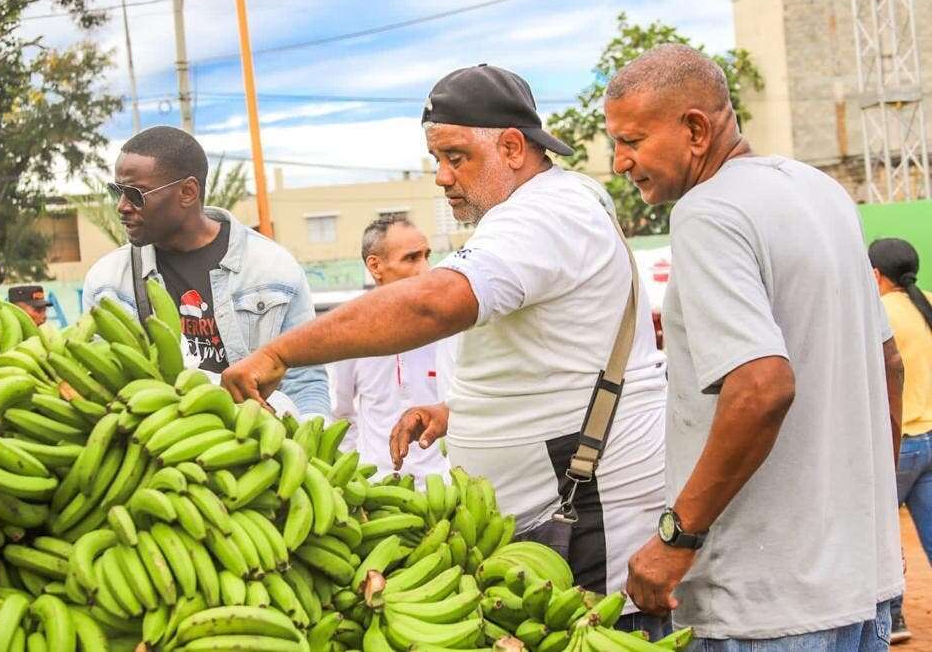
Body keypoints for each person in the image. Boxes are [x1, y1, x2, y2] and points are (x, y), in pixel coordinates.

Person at [223, 64, 669, 634]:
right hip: (544, 523)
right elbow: (557, 354)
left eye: (456, 157)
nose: (441, 177)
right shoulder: (551, 204)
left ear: (512, 147)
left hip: (590, 526)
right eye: (437, 160)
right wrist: (457, 412)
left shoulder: (548, 213)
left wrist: (281, 353)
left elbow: (434, 303)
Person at [609, 44, 904, 650]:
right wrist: (857, 506)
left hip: (763, 607)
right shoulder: (822, 193)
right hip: (861, 587)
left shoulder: (708, 211)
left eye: (632, 140)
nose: (619, 162)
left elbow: (762, 385)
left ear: (695, 129)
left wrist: (676, 537)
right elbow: (888, 363)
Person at [82, 125, 328, 418]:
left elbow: (306, 382)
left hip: (258, 448)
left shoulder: (272, 269)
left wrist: (307, 453)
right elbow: (101, 383)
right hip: (155, 449)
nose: (122, 206)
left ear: (187, 192)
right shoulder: (107, 284)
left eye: (135, 194)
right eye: (117, 191)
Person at [331, 215, 450, 483]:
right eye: (411, 258)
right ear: (375, 266)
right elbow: (341, 414)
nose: (425, 269)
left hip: (446, 485)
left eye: (426, 256)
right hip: (378, 491)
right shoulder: (351, 328)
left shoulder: (450, 325)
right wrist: (353, 479)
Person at [870, 238, 932, 644]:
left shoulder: (880, 312)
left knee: (878, 535)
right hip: (930, 437)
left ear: (876, 275)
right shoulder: (926, 303)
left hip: (899, 442)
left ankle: (894, 619)